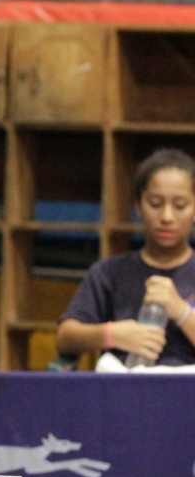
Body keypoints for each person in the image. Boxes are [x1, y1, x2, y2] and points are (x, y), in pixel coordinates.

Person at [56, 147, 195, 367]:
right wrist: (111, 334)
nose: (167, 217)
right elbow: (65, 338)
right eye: (155, 204)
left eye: (180, 206)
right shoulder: (109, 273)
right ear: (138, 206)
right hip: (124, 382)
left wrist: (181, 312)